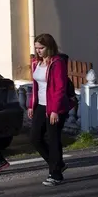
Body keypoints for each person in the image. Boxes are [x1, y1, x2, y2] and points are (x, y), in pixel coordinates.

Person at [29, 33, 72, 186]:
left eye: (41, 48)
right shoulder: (36, 63)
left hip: (55, 107)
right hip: (40, 105)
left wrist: (54, 110)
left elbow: (60, 88)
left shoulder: (57, 63)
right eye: (36, 48)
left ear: (49, 47)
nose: (38, 51)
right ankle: (57, 164)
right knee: (35, 138)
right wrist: (31, 105)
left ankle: (55, 175)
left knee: (53, 139)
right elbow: (35, 86)